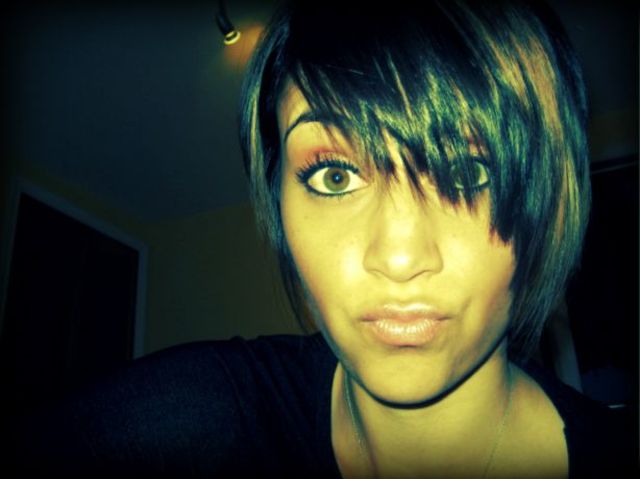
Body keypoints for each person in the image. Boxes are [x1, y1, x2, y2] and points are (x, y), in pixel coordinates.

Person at [9, 1, 637, 477]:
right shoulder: (195, 422)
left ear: (547, 204)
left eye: (468, 172)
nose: (398, 256)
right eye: (335, 175)